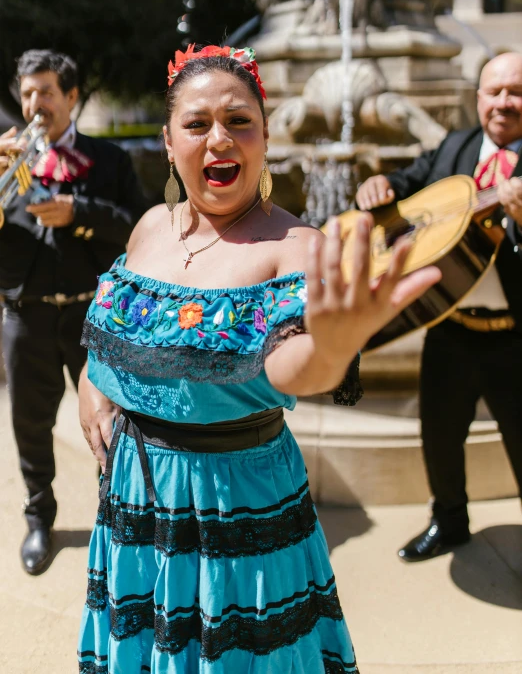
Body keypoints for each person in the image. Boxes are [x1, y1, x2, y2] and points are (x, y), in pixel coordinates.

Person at [77, 44, 439, 673]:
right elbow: (110, 337)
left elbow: (292, 366)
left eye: (238, 121)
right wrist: (95, 384)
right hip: (136, 500)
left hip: (235, 506)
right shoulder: (148, 228)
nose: (219, 139)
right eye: (197, 124)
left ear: (266, 136)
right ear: (168, 142)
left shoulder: (295, 247)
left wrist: (332, 345)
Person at [356, 51, 522, 562]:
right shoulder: (456, 146)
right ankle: (449, 523)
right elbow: (407, 187)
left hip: (516, 336)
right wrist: (379, 188)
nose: (503, 102)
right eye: (493, 91)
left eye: (515, 91)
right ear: (477, 98)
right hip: (451, 328)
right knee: (440, 437)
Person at [0, 49, 146, 575]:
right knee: (29, 424)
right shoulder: (6, 157)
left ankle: (118, 517)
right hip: (26, 314)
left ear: (72, 97)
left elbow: (139, 226)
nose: (34, 104)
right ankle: (40, 517)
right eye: (27, 92)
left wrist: (79, 212)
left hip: (93, 317)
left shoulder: (109, 161)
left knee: (112, 422)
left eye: (45, 92)